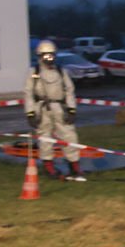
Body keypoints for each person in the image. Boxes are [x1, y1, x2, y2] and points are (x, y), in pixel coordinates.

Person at [24, 39, 86, 181]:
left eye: (51, 55)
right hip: (42, 109)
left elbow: (69, 90)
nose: (49, 58)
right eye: (46, 55)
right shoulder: (34, 73)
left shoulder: (61, 72)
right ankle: (49, 167)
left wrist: (71, 109)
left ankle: (74, 166)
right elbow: (28, 94)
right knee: (45, 138)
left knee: (69, 136)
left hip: (59, 108)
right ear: (40, 56)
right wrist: (30, 113)